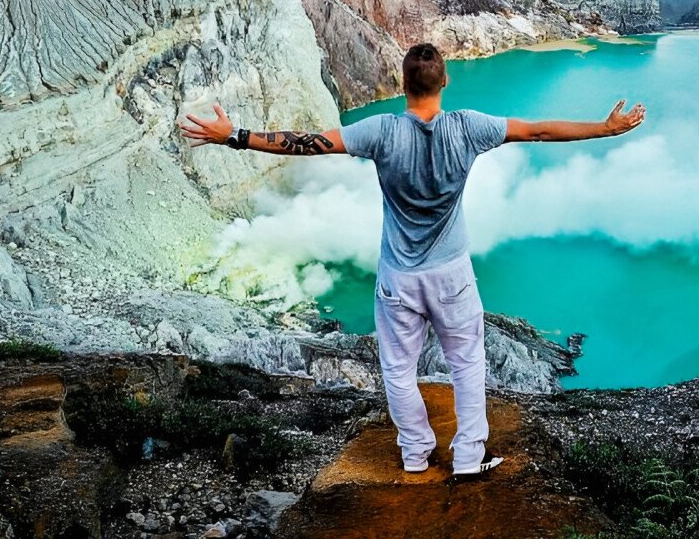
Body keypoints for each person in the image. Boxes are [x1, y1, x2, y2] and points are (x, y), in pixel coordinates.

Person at [178, 42, 646, 477]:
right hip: (452, 275)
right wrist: (605, 128)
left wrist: (233, 136)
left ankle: (416, 453)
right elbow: (539, 130)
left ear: (403, 85)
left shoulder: (380, 132)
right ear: (445, 83)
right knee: (466, 364)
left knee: (399, 370)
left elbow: (306, 143)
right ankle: (468, 457)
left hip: (399, 277)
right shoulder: (468, 127)